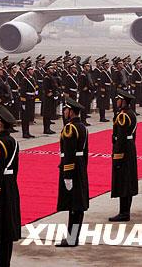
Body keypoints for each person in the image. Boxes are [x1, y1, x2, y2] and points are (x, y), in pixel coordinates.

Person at [0, 105, 21, 267]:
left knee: (0, 231)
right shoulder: (12, 141)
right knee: (8, 230)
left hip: (0, 190)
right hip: (11, 186)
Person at [55, 97, 89, 247]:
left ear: (71, 111)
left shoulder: (70, 128)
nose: (64, 112)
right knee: (78, 204)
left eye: (66, 110)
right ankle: (73, 236)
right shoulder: (82, 127)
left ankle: (71, 238)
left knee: (75, 205)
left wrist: (67, 175)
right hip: (80, 167)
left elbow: (68, 154)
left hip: (72, 169)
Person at [109, 89, 138, 222]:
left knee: (123, 181)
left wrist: (117, 155)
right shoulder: (131, 114)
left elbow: (119, 138)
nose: (117, 101)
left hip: (123, 150)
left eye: (118, 99)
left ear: (123, 101)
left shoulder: (123, 116)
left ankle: (124, 212)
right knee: (128, 181)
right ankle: (125, 211)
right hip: (130, 147)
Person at [20, 64, 37, 139]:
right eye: (30, 70)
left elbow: (34, 88)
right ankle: (25, 133)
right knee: (25, 118)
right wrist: (23, 102)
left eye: (32, 69)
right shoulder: (24, 79)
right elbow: (22, 92)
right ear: (27, 71)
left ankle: (28, 132)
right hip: (26, 100)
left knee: (28, 117)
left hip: (31, 99)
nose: (32, 71)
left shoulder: (32, 78)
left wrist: (35, 95)